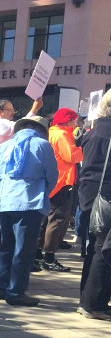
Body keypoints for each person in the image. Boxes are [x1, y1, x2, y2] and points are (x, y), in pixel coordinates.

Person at [0, 116, 58, 306]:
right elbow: (52, 176)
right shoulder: (42, 145)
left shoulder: (3, 147)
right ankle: (16, 292)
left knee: (6, 246)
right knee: (24, 250)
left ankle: (0, 287)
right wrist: (42, 193)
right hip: (29, 202)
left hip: (4, 202)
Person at [35, 108, 83, 273]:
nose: (77, 123)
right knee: (57, 220)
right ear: (68, 120)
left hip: (53, 182)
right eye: (75, 119)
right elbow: (72, 157)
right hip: (62, 182)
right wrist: (82, 147)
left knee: (46, 220)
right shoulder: (62, 135)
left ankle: (38, 254)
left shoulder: (52, 133)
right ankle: (49, 258)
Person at [78, 89, 111, 320]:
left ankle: (87, 299)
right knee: (103, 249)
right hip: (106, 194)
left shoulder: (94, 130)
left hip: (92, 194)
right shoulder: (106, 131)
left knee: (95, 248)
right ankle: (93, 303)